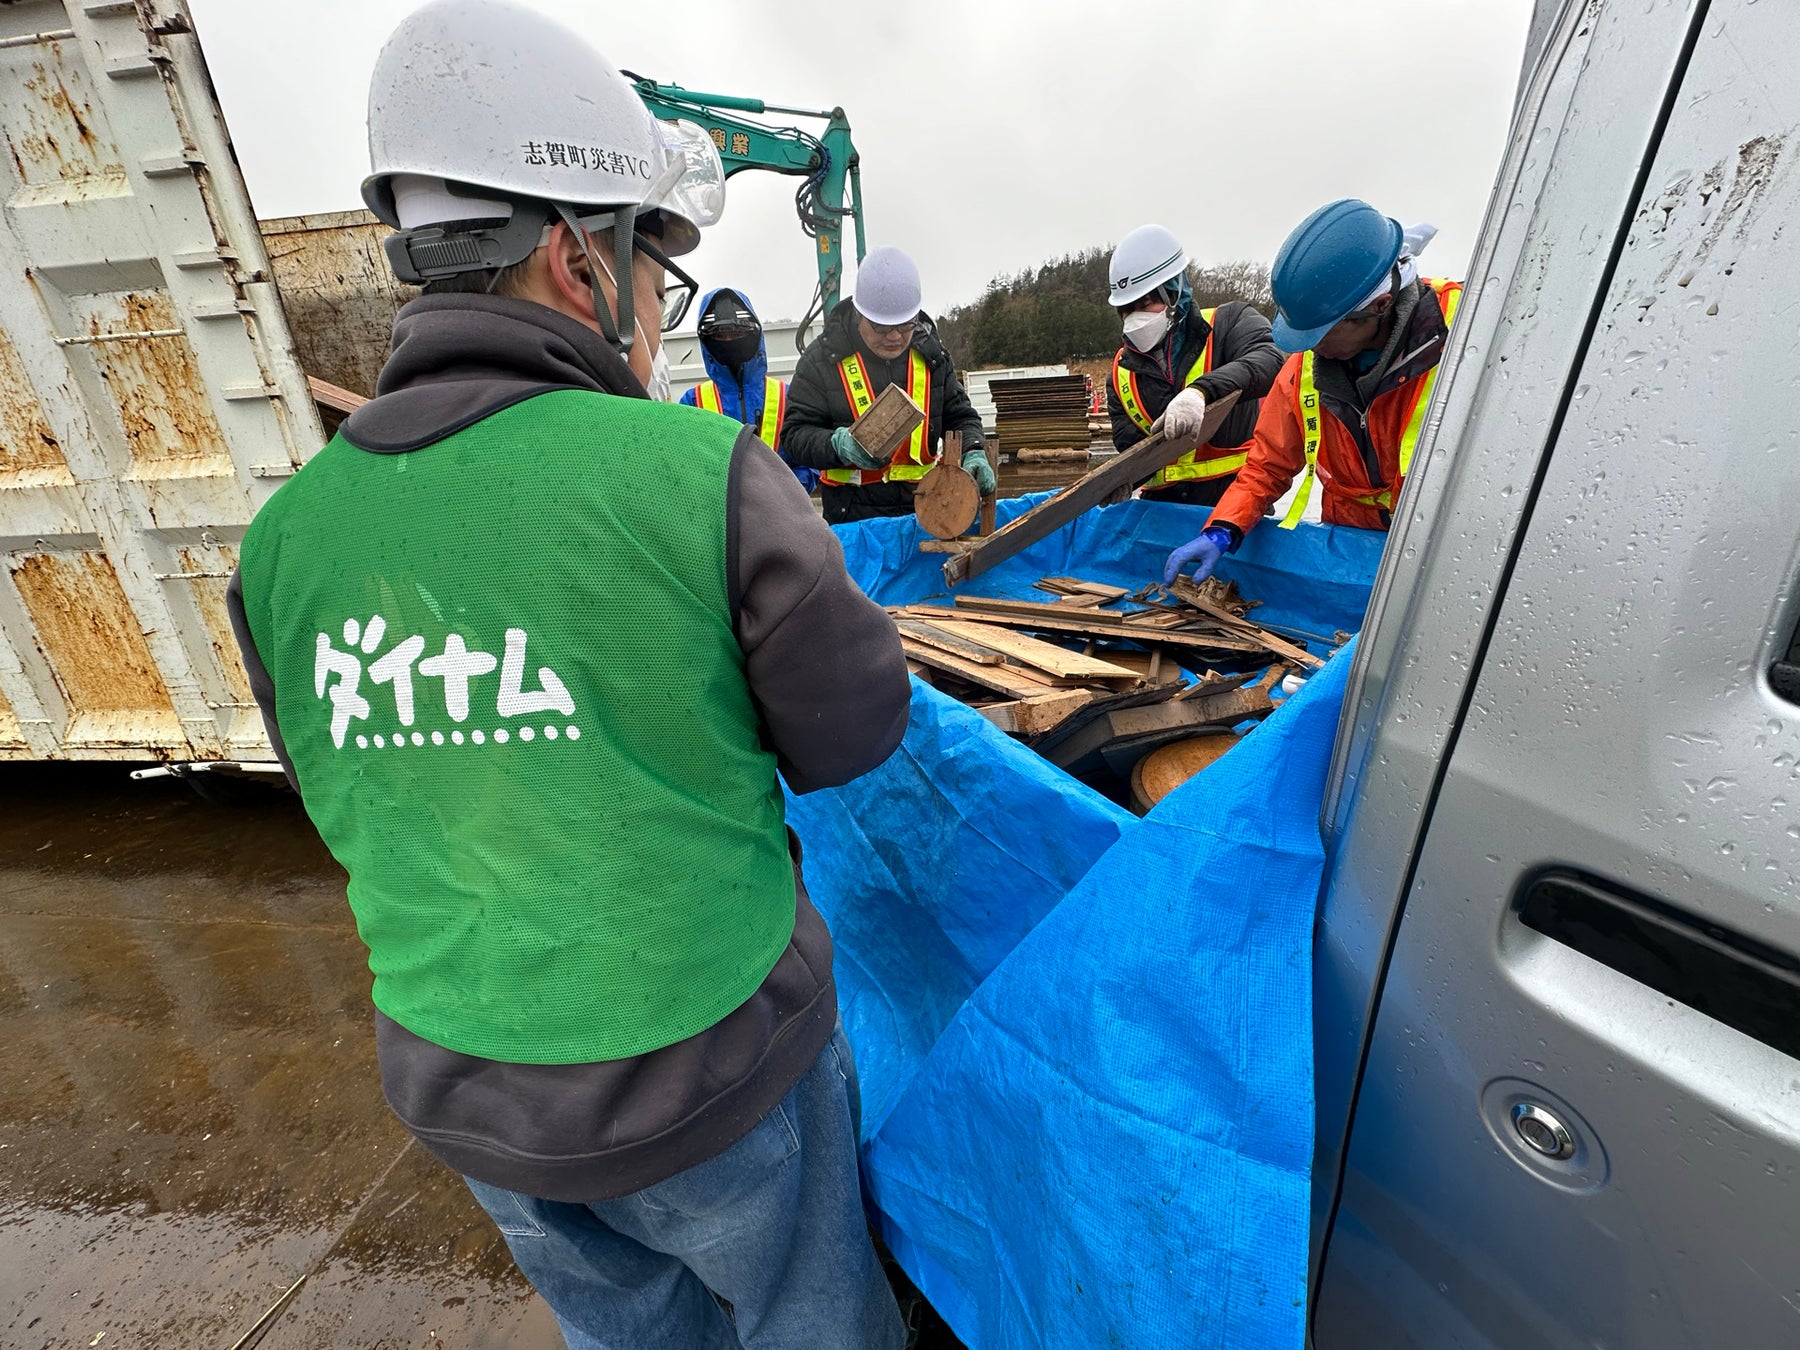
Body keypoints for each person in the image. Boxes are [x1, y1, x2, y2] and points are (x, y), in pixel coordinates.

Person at [225, 4, 910, 1348]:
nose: (657, 309)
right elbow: (854, 730)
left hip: (471, 1094)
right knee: (808, 1318)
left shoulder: (283, 542)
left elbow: (346, 786)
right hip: (710, 1071)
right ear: (572, 258)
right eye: (652, 266)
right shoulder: (696, 475)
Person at [1165, 199, 1463, 584]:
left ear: (1379, 306)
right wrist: (1223, 529)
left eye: (1319, 334)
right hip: (1347, 553)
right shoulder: (1305, 367)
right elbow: (1268, 464)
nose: (1310, 347)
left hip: (1439, 558)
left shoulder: (1466, 337)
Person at [783, 246, 992, 525]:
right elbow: (795, 435)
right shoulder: (822, 360)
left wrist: (973, 448)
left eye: (905, 325)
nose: (894, 336)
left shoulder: (932, 355)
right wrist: (838, 446)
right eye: (881, 327)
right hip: (853, 519)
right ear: (860, 314)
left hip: (924, 513)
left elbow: (960, 416)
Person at [1104, 224, 1283, 506]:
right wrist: (1120, 480)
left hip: (1237, 510)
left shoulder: (1229, 323)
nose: (1135, 317)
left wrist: (1200, 392)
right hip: (1160, 519)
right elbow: (1132, 449)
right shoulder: (1120, 374)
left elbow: (1270, 360)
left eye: (1146, 302)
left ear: (1173, 293)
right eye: (1127, 309)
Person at [682, 287, 818, 492]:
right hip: (719, 516)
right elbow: (684, 466)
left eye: (736, 333)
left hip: (780, 511)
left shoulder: (787, 396)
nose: (729, 341)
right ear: (706, 342)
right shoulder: (693, 402)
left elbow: (809, 460)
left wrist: (789, 492)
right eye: (719, 336)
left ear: (755, 334)